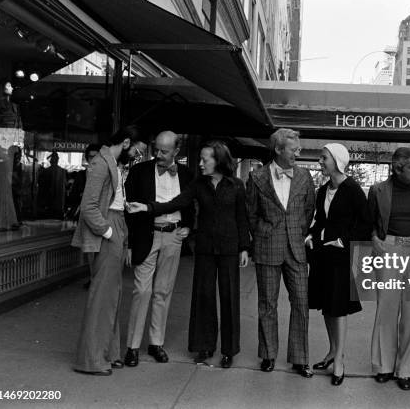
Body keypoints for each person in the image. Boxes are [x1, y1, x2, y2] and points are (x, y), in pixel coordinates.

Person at [128, 140, 250, 369]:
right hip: (204, 247)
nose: (200, 164)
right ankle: (204, 347)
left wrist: (244, 247)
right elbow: (177, 203)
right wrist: (148, 208)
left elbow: (242, 218)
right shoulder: (198, 185)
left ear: (219, 160)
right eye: (200, 159)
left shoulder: (236, 185)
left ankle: (229, 350)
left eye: (205, 160)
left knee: (229, 298)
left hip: (229, 249)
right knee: (203, 297)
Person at [245, 128, 316, 377]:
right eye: (293, 149)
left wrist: (296, 232)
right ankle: (268, 355)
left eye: (298, 149)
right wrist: (264, 233)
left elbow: (309, 211)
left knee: (301, 302)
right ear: (277, 149)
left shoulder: (305, 177)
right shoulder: (257, 177)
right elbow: (251, 214)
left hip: (296, 248)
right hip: (267, 247)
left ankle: (299, 358)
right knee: (267, 304)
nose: (298, 152)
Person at [121, 131, 193, 367]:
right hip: (145, 235)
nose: (158, 155)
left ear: (176, 151)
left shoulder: (186, 174)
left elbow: (191, 203)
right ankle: (132, 347)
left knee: (163, 291)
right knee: (141, 291)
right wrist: (130, 244)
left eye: (164, 151)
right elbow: (129, 210)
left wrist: (188, 226)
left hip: (173, 236)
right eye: (156, 149)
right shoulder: (139, 171)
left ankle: (156, 343)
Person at [368, 147, 410, 390]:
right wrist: (374, 238)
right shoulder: (378, 190)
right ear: (397, 168)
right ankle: (384, 366)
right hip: (389, 249)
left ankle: (406, 370)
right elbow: (370, 221)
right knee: (386, 308)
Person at [306, 143, 371, 386]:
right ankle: (332, 352)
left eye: (323, 158)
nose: (320, 162)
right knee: (327, 305)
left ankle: (340, 360)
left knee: (339, 307)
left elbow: (365, 223)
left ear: (336, 160)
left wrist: (343, 241)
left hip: (342, 258)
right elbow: (320, 221)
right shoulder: (323, 190)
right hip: (323, 255)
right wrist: (311, 235)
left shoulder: (352, 189)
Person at [70, 128, 133, 375]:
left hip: (115, 224)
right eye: (136, 149)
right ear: (126, 142)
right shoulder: (101, 163)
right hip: (108, 228)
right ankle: (92, 359)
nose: (138, 154)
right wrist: (108, 232)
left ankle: (107, 353)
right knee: (102, 297)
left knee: (111, 296)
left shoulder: (109, 162)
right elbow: (88, 207)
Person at [37, 152, 67, 219]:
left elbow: (41, 187)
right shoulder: (62, 171)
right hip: (57, 204)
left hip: (50, 204)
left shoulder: (46, 171)